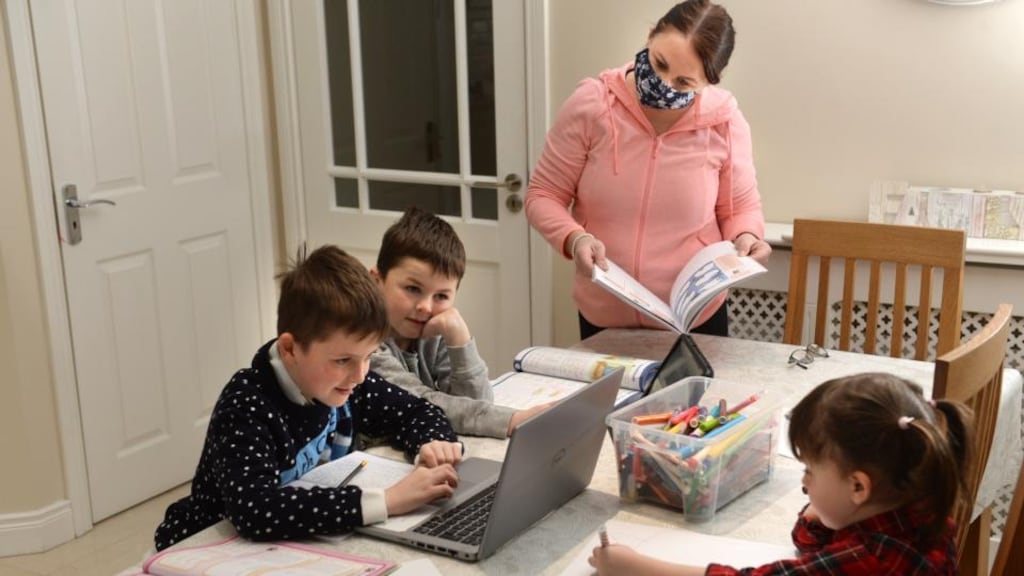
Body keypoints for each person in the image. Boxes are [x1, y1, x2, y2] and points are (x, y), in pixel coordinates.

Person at [154, 245, 463, 551]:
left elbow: (416, 411)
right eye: (343, 360)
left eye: (368, 356)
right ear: (290, 349)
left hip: (285, 546)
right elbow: (255, 510)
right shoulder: (246, 406)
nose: (359, 374)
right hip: (201, 546)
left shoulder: (345, 380)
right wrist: (387, 501)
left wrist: (432, 443)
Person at [525, 0, 772, 340]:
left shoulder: (725, 124)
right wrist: (574, 237)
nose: (663, 83)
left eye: (684, 82)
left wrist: (747, 237)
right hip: (605, 311)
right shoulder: (591, 106)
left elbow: (740, 208)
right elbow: (543, 195)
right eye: (659, 63)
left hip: (695, 315)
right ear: (650, 35)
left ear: (710, 81)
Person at [589, 372, 974, 575]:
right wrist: (823, 511)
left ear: (858, 486)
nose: (804, 483)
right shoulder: (917, 505)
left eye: (810, 471)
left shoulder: (872, 559)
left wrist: (634, 569)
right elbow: (811, 543)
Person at [369, 207, 547, 438]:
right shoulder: (363, 343)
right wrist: (510, 420)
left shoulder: (434, 328)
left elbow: (476, 403)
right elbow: (420, 405)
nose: (426, 307)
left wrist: (459, 337)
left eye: (441, 296)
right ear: (376, 280)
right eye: (412, 289)